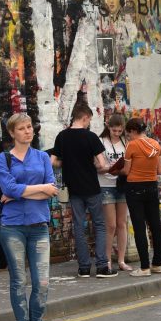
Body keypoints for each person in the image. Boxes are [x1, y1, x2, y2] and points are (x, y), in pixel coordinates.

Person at [0, 113, 62, 321]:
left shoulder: (43, 157)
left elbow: (51, 189)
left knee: (42, 282)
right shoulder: (4, 159)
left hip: (39, 225)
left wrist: (25, 192)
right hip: (12, 227)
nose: (27, 131)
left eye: (30, 127)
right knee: (19, 281)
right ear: (12, 133)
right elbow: (8, 188)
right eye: (22, 128)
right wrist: (40, 188)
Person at [52, 104, 115, 278]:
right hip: (92, 188)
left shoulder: (62, 136)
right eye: (89, 120)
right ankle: (102, 266)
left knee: (79, 227)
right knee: (100, 225)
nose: (89, 123)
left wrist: (68, 163)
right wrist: (92, 164)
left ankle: (84, 268)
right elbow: (102, 164)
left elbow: (53, 161)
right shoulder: (90, 137)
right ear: (85, 117)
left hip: (73, 189)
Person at [121, 117, 161, 277]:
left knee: (139, 227)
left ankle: (144, 267)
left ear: (132, 131)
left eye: (128, 134)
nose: (129, 137)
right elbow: (159, 171)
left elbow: (126, 171)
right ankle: (157, 264)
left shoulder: (132, 146)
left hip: (135, 188)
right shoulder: (156, 144)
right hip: (152, 186)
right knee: (155, 226)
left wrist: (116, 171)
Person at [98, 113, 132, 272]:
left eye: (120, 131)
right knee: (110, 225)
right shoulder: (101, 142)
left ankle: (121, 260)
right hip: (106, 184)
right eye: (114, 131)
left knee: (122, 224)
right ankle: (107, 260)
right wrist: (108, 168)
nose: (117, 134)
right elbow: (97, 166)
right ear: (108, 127)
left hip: (122, 184)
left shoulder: (127, 142)